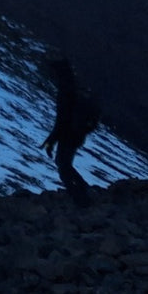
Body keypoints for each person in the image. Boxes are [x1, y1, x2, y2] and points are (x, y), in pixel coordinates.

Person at [41, 56, 101, 206]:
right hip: (77, 134)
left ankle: (81, 200)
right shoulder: (74, 89)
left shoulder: (65, 92)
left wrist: (51, 141)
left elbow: (61, 120)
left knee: (63, 166)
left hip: (68, 134)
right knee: (65, 164)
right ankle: (84, 191)